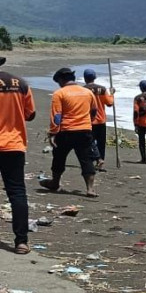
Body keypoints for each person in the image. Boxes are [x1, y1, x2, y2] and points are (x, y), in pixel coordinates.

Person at [40, 67, 99, 198]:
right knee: (86, 159)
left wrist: (53, 133)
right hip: (84, 130)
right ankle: (90, 189)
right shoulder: (87, 92)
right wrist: (89, 122)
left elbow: (56, 116)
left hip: (66, 131)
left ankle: (55, 182)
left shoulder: (59, 93)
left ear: (61, 80)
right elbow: (94, 110)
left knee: (59, 157)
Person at [0, 57, 37, 253]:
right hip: (13, 144)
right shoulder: (20, 83)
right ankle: (21, 241)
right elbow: (30, 114)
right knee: (17, 192)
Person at [82, 67, 114, 171]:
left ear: (85, 78)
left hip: (88, 120)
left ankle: (91, 161)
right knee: (101, 143)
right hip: (101, 120)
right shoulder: (102, 89)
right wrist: (112, 94)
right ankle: (100, 162)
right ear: (94, 77)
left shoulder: (83, 90)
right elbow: (109, 103)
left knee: (89, 142)